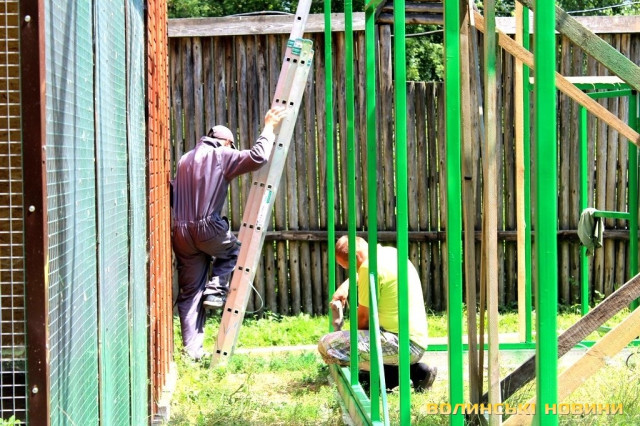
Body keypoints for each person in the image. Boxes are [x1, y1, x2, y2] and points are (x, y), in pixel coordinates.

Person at [172, 107, 287, 361]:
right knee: (234, 250)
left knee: (190, 292)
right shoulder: (221, 154)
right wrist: (269, 126)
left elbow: (174, 193)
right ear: (226, 142)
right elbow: (258, 157)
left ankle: (191, 352)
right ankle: (216, 291)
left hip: (180, 233)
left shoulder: (184, 160)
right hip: (207, 228)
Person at [318, 235, 437, 391]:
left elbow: (363, 321)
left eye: (348, 267)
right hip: (416, 341)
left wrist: (346, 336)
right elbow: (367, 272)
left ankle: (387, 377)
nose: (352, 271)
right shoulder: (389, 253)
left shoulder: (367, 269)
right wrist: (346, 286)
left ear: (355, 259)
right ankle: (417, 373)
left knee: (327, 345)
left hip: (401, 345)